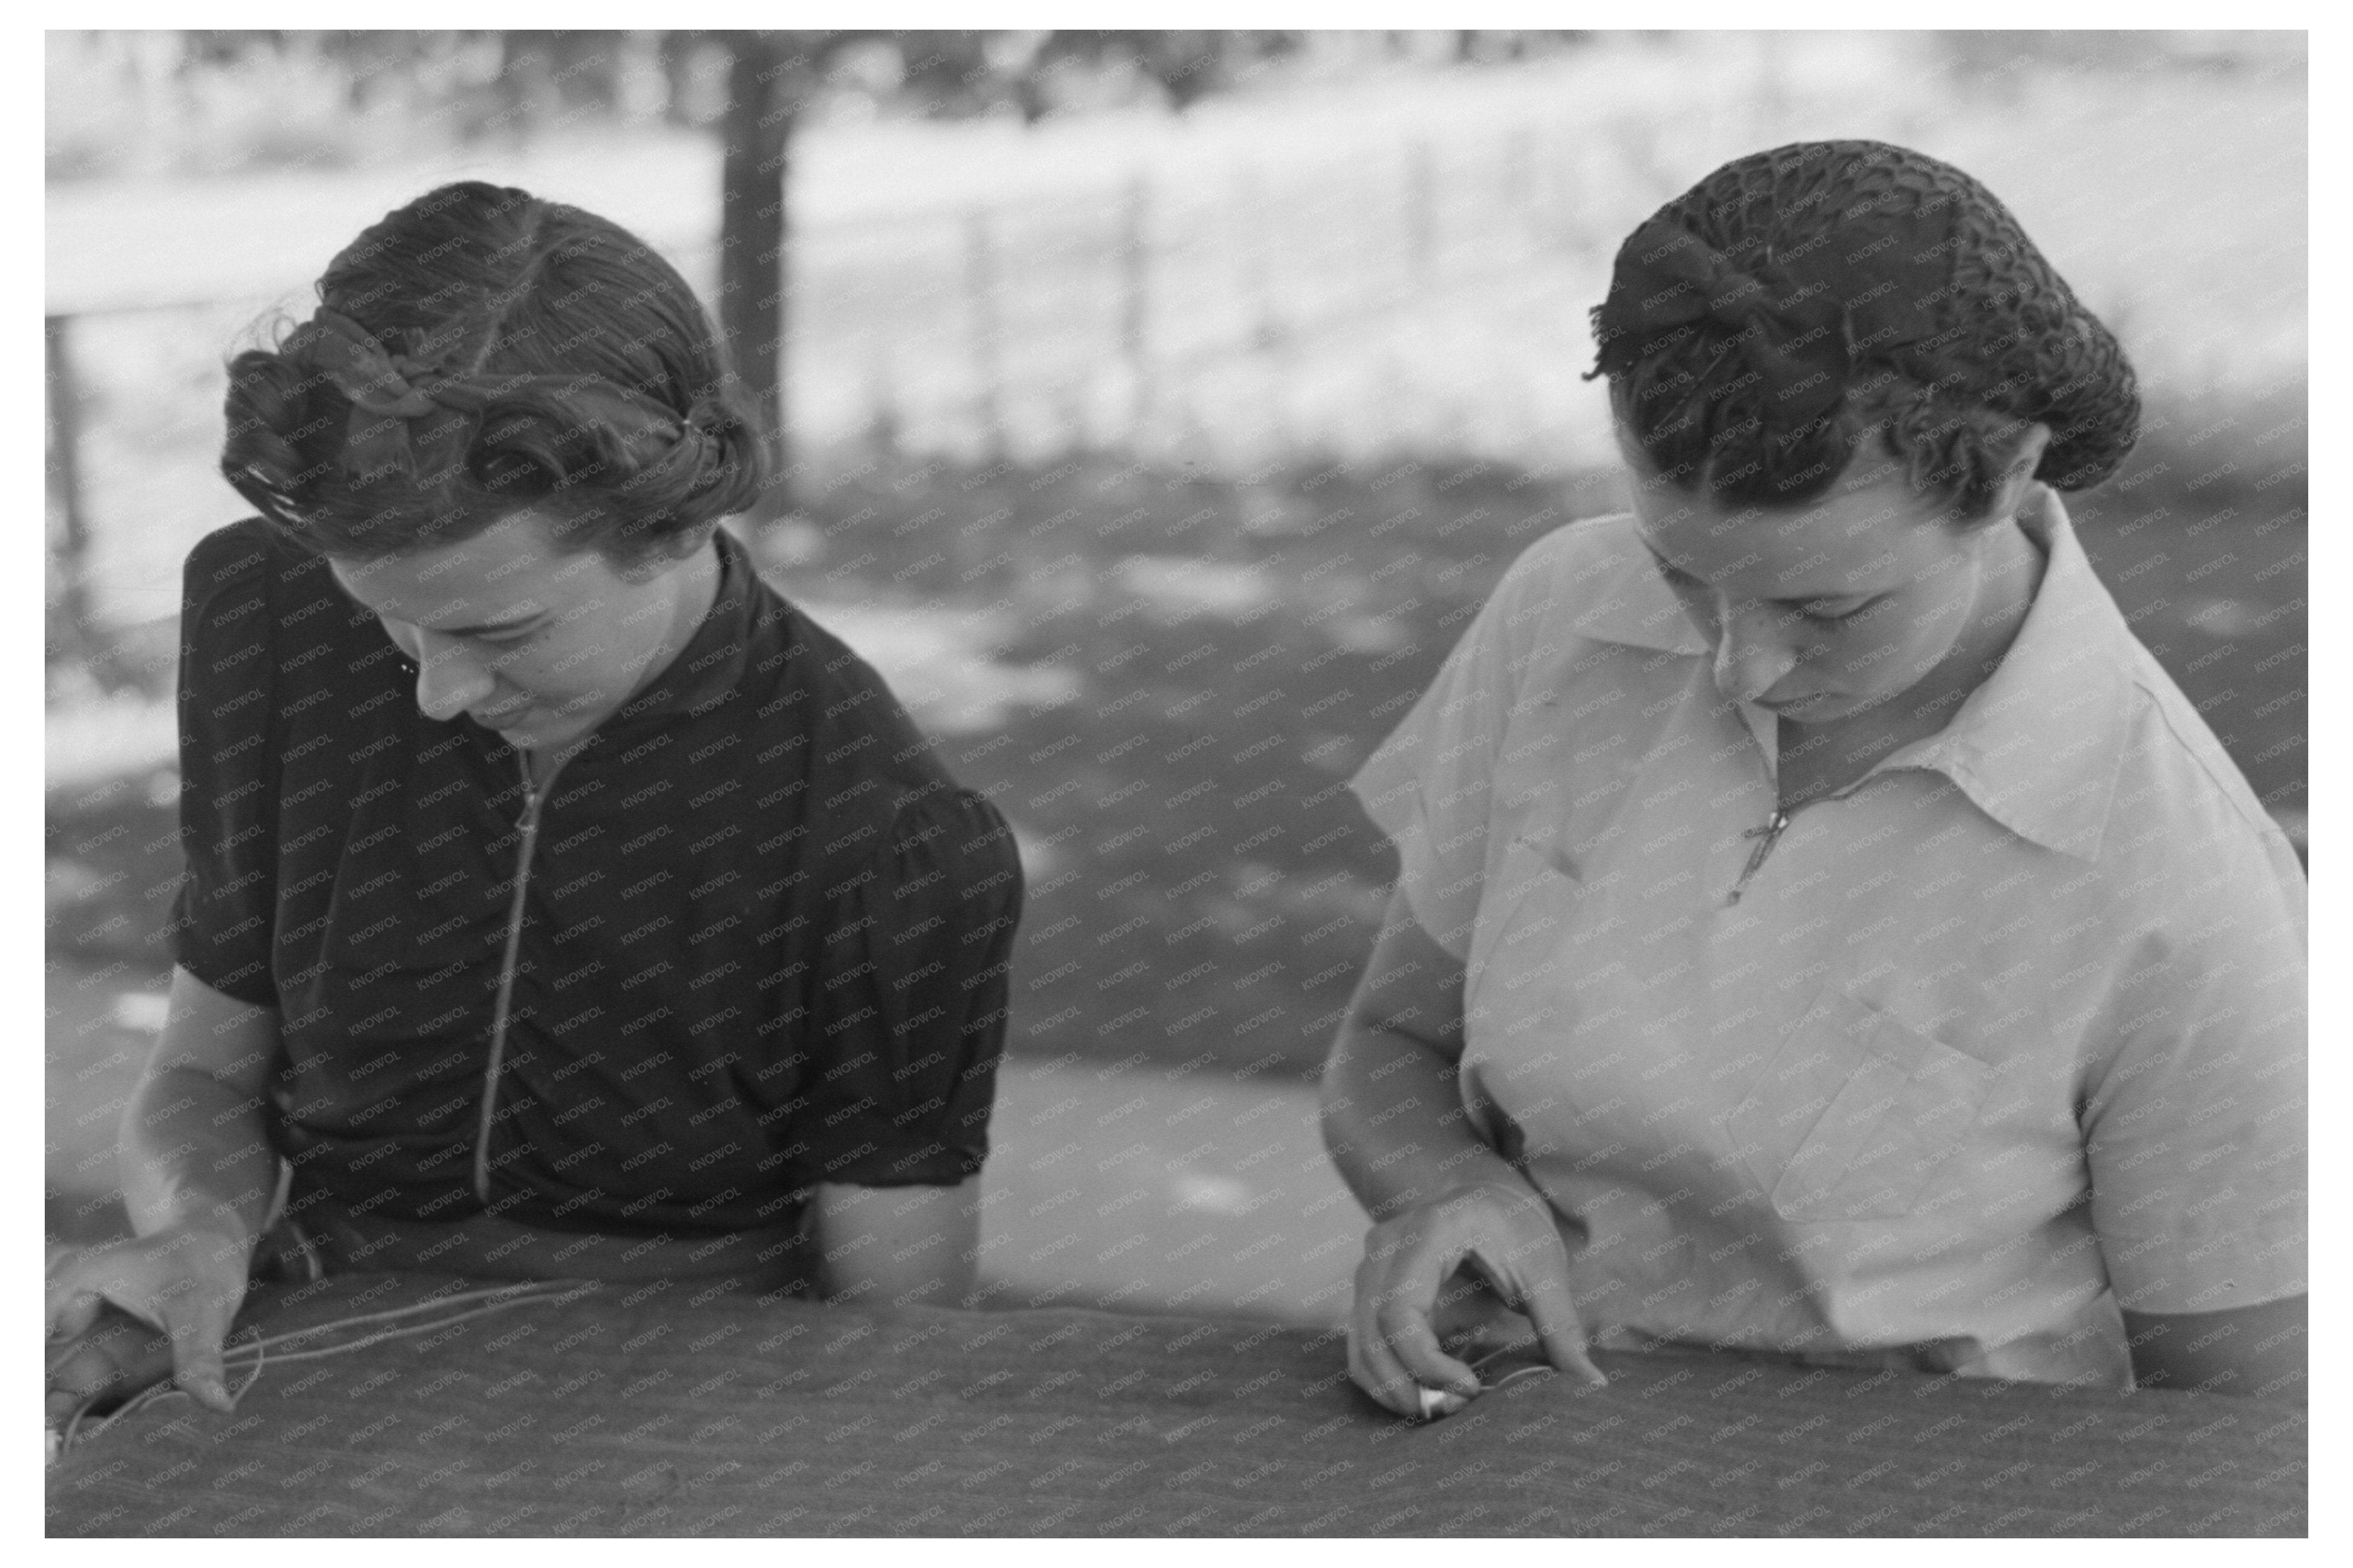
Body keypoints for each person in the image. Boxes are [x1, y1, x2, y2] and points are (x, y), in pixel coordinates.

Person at [1320, 141, 2305, 1416]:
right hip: (1512, 1444)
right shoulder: (1560, 610)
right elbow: (1389, 1044)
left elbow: (2245, 1447)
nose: (1737, 665)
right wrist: (1446, 1186)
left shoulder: (2185, 889)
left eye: (1823, 609)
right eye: (1682, 573)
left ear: (2006, 477)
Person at [47, 181, 1024, 1422]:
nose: (440, 692)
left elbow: (899, 1344)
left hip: (698, 1404)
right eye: (389, 621)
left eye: (500, 630)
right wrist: (198, 1236)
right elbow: (204, 1077)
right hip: (314, 1352)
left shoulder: (885, 837)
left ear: (675, 527)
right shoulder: (269, 618)